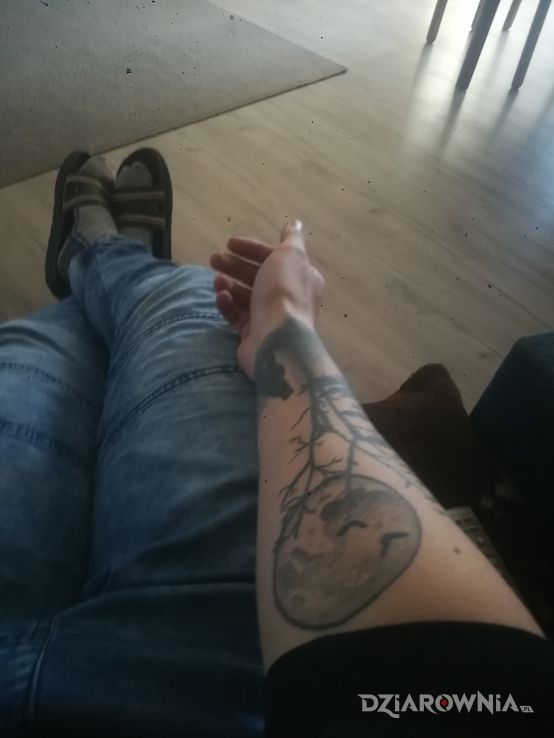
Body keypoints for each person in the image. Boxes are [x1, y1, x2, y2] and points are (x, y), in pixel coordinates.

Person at [0, 150, 552, 738]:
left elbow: (453, 680)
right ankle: (104, 265)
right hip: (226, 651)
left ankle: (101, 258)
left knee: (113, 325)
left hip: (216, 665)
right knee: (95, 337)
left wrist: (286, 321)